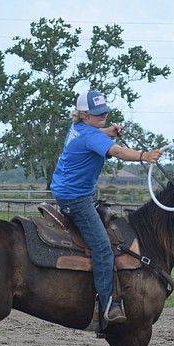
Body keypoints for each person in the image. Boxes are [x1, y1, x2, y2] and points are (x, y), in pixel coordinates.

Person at [50, 90, 162, 325]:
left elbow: (95, 136)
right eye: (97, 113)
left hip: (65, 193)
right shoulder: (91, 136)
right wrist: (144, 155)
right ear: (83, 114)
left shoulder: (78, 130)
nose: (103, 116)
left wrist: (107, 131)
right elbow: (118, 152)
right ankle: (109, 303)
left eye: (104, 112)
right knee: (102, 247)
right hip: (76, 199)